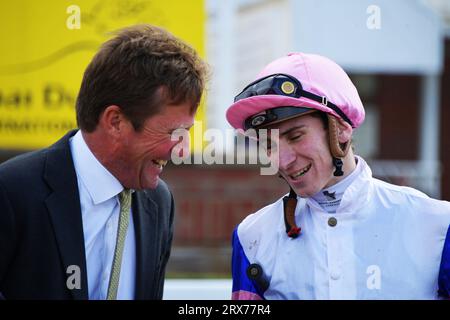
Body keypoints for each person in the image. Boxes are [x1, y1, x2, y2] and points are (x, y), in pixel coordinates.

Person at [0, 24, 208, 300]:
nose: (183, 150)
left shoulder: (159, 203)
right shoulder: (12, 192)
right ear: (115, 121)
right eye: (173, 133)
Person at [226, 52, 450, 300]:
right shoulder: (251, 236)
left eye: (295, 136)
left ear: (341, 129)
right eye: (269, 145)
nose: (282, 160)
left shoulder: (439, 225)